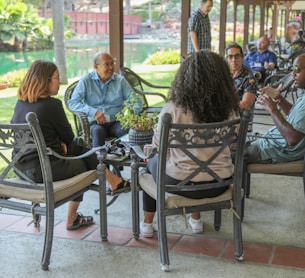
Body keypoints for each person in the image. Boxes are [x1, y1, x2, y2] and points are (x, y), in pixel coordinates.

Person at [11, 60, 129, 231]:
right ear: (46, 80)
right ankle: (74, 216)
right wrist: (62, 145)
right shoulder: (53, 105)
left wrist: (59, 145)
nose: (59, 82)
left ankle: (113, 180)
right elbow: (69, 137)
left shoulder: (19, 104)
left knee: (79, 150)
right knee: (83, 161)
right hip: (43, 170)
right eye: (57, 78)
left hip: (20, 168)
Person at [139, 50, 240, 237]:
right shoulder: (230, 110)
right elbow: (234, 144)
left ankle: (146, 225)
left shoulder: (173, 110)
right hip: (221, 183)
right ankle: (196, 221)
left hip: (180, 184)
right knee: (198, 162)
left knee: (149, 165)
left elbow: (158, 147)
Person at [247, 52, 305, 164]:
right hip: (273, 142)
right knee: (233, 142)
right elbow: (296, 116)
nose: (293, 74)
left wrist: (272, 109)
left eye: (297, 70)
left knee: (225, 154)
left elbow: (292, 138)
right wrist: (279, 98)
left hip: (276, 150)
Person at [68, 51, 142, 148]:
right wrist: (93, 112)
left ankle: (122, 160)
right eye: (107, 64)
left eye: (112, 64)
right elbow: (73, 103)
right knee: (97, 132)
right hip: (96, 123)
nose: (111, 67)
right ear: (96, 67)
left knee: (128, 131)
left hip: (117, 122)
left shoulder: (120, 81)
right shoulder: (86, 81)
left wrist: (131, 115)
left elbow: (136, 100)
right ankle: (98, 161)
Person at [226, 42, 257, 110]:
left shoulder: (249, 79)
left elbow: (246, 104)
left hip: (236, 116)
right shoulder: (223, 75)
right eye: (230, 57)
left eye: (237, 56)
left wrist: (221, 108)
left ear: (242, 57)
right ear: (227, 59)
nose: (234, 60)